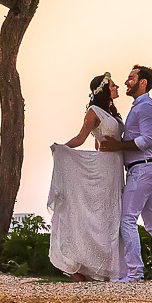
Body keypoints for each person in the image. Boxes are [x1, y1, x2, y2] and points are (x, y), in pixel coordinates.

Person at [46, 73, 125, 282]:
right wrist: (62, 150)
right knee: (96, 215)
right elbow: (82, 138)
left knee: (109, 215)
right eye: (113, 85)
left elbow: (101, 142)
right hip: (105, 168)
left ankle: (101, 269)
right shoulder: (94, 111)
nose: (117, 87)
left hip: (115, 168)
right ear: (103, 90)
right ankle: (80, 265)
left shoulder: (112, 113)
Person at [98, 64, 152, 282]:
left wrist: (117, 146)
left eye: (131, 78)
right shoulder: (140, 106)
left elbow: (148, 140)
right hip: (147, 169)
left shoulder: (145, 106)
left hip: (142, 169)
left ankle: (135, 273)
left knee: (127, 219)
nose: (127, 82)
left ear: (142, 83)